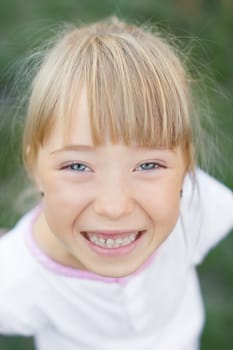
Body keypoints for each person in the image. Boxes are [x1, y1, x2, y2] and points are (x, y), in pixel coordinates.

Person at [0, 17, 232, 350]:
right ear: (34, 167)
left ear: (186, 167)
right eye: (78, 165)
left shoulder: (197, 209)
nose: (113, 207)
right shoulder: (17, 279)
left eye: (148, 164)